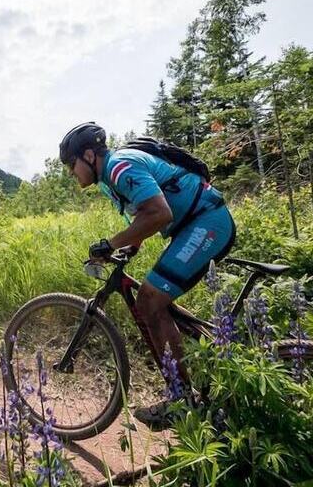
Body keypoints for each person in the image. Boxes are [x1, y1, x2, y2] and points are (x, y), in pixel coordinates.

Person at [59, 122, 236, 429]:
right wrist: (131, 245)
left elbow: (160, 213)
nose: (71, 172)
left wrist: (111, 243)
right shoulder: (109, 178)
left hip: (207, 222)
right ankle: (206, 359)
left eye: (71, 165)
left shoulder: (118, 166)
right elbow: (144, 212)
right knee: (156, 300)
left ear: (88, 156)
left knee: (150, 299)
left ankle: (181, 401)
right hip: (196, 224)